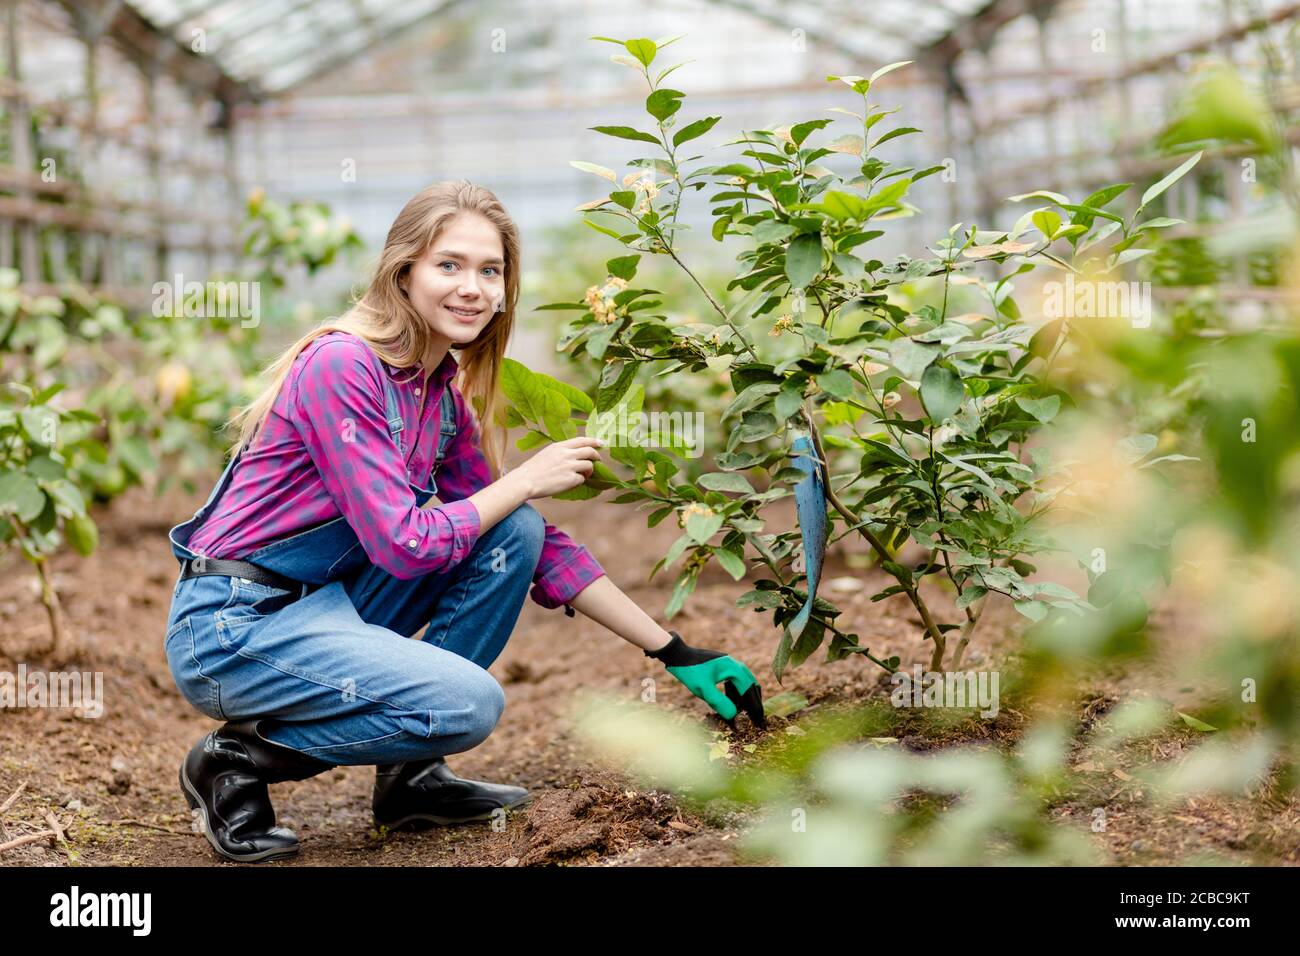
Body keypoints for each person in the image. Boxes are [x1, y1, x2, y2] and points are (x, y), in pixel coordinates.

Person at [164, 179, 765, 864]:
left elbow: (530, 541)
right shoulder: (342, 365)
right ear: (404, 272)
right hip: (235, 626)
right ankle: (234, 760)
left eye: (490, 270)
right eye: (448, 265)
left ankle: (411, 780)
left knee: (514, 531)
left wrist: (674, 651)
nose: (472, 288)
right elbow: (403, 544)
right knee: (468, 705)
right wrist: (524, 478)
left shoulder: (437, 396)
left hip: (325, 609)